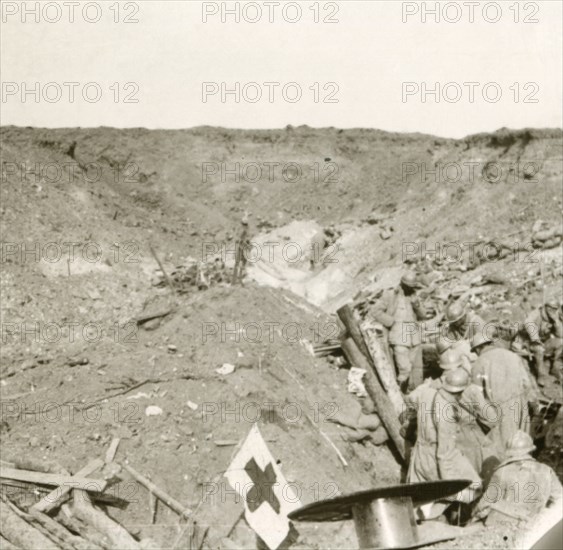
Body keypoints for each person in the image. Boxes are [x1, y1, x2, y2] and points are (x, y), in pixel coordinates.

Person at [472, 431, 562, 528]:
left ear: (509, 452)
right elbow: (560, 500)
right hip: (534, 526)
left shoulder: (502, 471)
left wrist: (473, 515)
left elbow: (485, 503)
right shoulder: (547, 471)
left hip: (504, 526)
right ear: (531, 450)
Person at [471, 332, 534, 459]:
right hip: (520, 404)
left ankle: (506, 475)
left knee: (505, 447)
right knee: (522, 443)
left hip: (499, 409)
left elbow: (475, 393)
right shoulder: (513, 355)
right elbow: (527, 384)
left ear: (478, 348)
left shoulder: (479, 362)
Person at [432, 367, 482, 504]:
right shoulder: (446, 413)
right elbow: (444, 454)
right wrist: (450, 485)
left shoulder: (439, 395)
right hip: (442, 457)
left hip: (436, 451)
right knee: (474, 489)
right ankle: (452, 500)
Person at [383, 272, 427, 390]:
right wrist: (390, 323)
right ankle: (398, 394)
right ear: (402, 284)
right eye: (409, 286)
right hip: (399, 336)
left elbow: (423, 315)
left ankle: (409, 393)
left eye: (413, 287)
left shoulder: (414, 296)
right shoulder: (391, 295)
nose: (411, 289)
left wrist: (416, 305)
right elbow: (376, 312)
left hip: (414, 337)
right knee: (404, 369)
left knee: (413, 368)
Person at [522, 298, 563, 386]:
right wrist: (535, 339)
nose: (552, 310)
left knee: (561, 342)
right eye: (550, 307)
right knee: (539, 348)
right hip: (527, 343)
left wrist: (556, 322)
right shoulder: (536, 313)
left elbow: (560, 335)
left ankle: (554, 368)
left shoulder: (553, 317)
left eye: (555, 308)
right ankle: (541, 375)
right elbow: (528, 322)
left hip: (543, 341)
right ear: (545, 306)